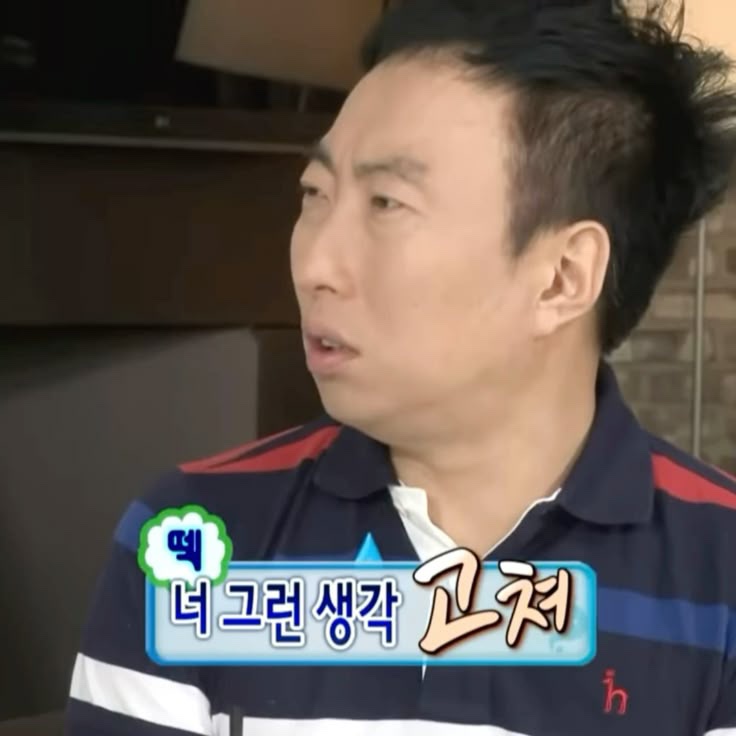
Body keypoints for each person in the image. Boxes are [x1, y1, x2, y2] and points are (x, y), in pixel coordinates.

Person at [66, 1, 736, 734]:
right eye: (315, 194)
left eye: (387, 203)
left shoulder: (719, 572)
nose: (315, 265)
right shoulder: (195, 541)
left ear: (561, 279)